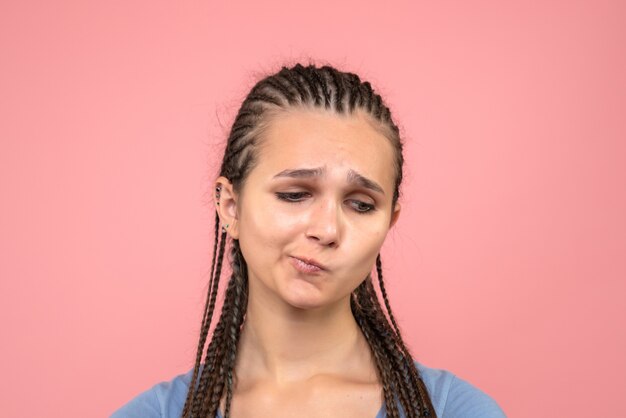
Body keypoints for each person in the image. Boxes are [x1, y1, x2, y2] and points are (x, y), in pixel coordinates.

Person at [111, 63, 506, 418]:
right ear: (231, 205)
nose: (328, 230)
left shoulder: (454, 410)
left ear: (390, 221)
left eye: (361, 205)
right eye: (294, 195)